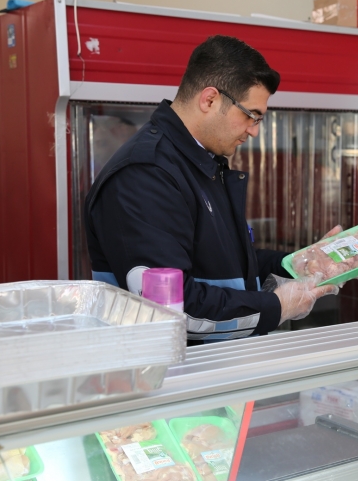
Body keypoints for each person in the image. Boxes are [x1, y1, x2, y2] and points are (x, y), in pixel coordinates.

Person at [85, 35, 337, 342]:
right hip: (171, 377)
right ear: (209, 100)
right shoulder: (144, 174)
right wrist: (277, 306)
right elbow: (172, 309)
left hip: (218, 370)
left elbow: (229, 267)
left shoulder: (203, 163)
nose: (254, 131)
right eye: (251, 116)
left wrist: (302, 263)